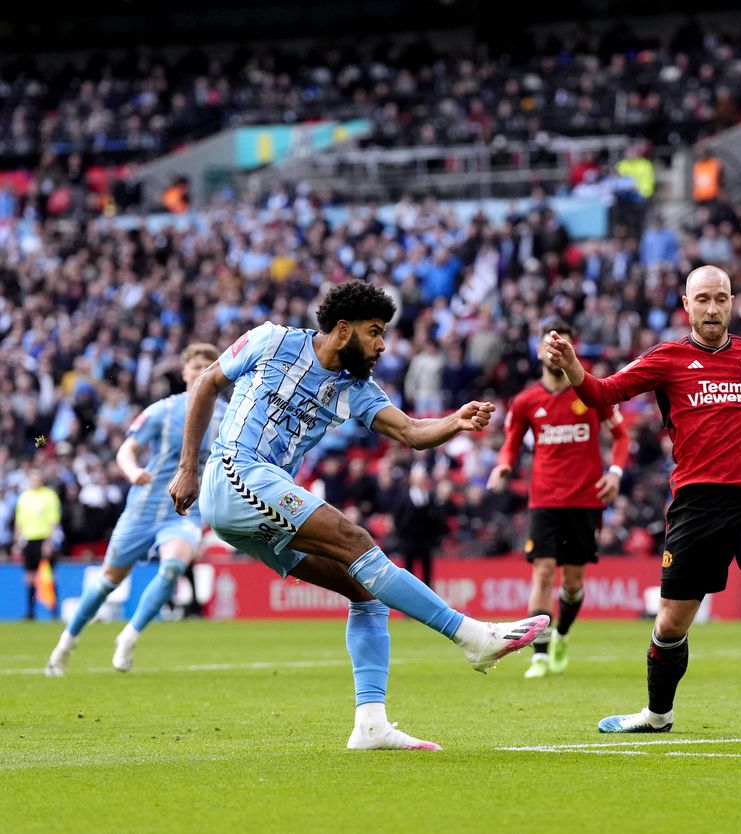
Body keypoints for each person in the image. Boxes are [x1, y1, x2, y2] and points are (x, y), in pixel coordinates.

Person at [167, 281, 547, 751]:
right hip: (234, 473)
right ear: (343, 330)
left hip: (262, 501)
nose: (382, 345)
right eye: (374, 332)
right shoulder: (271, 339)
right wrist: (187, 468)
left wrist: (454, 421)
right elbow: (206, 383)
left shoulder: (357, 389)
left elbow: (410, 431)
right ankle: (470, 635)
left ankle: (371, 724)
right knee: (356, 540)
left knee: (366, 590)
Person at [544, 265, 741, 739]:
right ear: (686, 306)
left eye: (722, 298)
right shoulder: (667, 358)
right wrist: (570, 364)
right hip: (697, 503)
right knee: (670, 623)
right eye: (703, 299)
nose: (713, 308)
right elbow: (604, 392)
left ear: (733, 303)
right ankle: (656, 715)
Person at [45, 343, 223, 676]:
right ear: (184, 372)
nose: (201, 371)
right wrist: (132, 471)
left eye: (207, 366)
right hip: (143, 507)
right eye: (195, 366)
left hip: (185, 511)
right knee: (107, 582)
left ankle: (130, 634)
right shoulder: (162, 411)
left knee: (172, 568)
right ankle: (65, 643)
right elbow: (127, 449)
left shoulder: (227, 416)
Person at [486, 319, 630, 680]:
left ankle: (562, 635)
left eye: (562, 344)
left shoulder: (591, 393)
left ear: (571, 350)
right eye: (549, 345)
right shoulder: (525, 402)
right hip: (544, 499)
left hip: (584, 500)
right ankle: (539, 654)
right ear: (539, 351)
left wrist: (615, 474)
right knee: (543, 572)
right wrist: (504, 465)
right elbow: (512, 442)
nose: (555, 350)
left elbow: (622, 436)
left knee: (573, 582)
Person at [13, 469, 62, 620]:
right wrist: (17, 542)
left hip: (43, 538)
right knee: (29, 577)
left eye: (37, 478)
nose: (35, 481)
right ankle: (30, 612)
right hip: (29, 540)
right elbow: (19, 521)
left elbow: (54, 521)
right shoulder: (24, 497)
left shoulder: (49, 495)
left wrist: (49, 541)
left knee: (49, 576)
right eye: (32, 478)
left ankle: (53, 612)